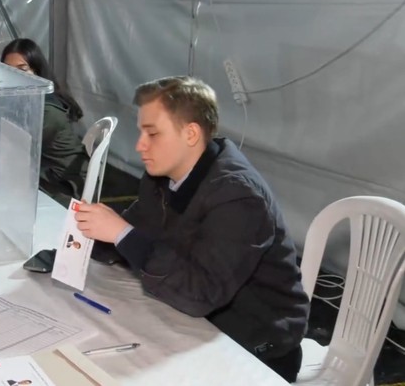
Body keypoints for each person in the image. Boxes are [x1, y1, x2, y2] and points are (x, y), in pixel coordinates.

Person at [73, 76, 310, 382]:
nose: (140, 145)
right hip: (198, 322)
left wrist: (120, 233)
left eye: (153, 134)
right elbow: (140, 232)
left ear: (191, 134)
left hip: (255, 345)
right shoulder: (163, 174)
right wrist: (87, 238)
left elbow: (200, 293)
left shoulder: (238, 196)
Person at [0, 38, 88, 204]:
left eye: (22, 69)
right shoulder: (25, 102)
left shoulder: (46, 111)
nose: (14, 77)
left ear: (37, 71)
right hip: (46, 176)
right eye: (8, 70)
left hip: (64, 186)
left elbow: (11, 150)